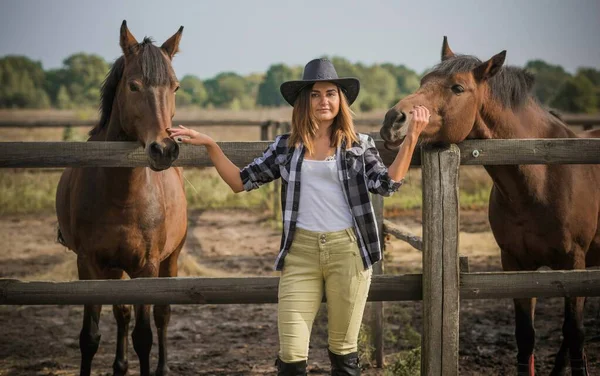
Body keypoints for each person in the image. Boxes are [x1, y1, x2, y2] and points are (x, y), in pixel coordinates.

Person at [167, 58, 430, 376]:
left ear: (340, 100)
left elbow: (387, 185)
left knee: (343, 355)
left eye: (331, 93)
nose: (324, 101)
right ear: (304, 102)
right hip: (300, 256)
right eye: (315, 94)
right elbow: (240, 182)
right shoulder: (285, 147)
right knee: (291, 358)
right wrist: (210, 145)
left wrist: (412, 137)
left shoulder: (359, 146)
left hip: (348, 252)